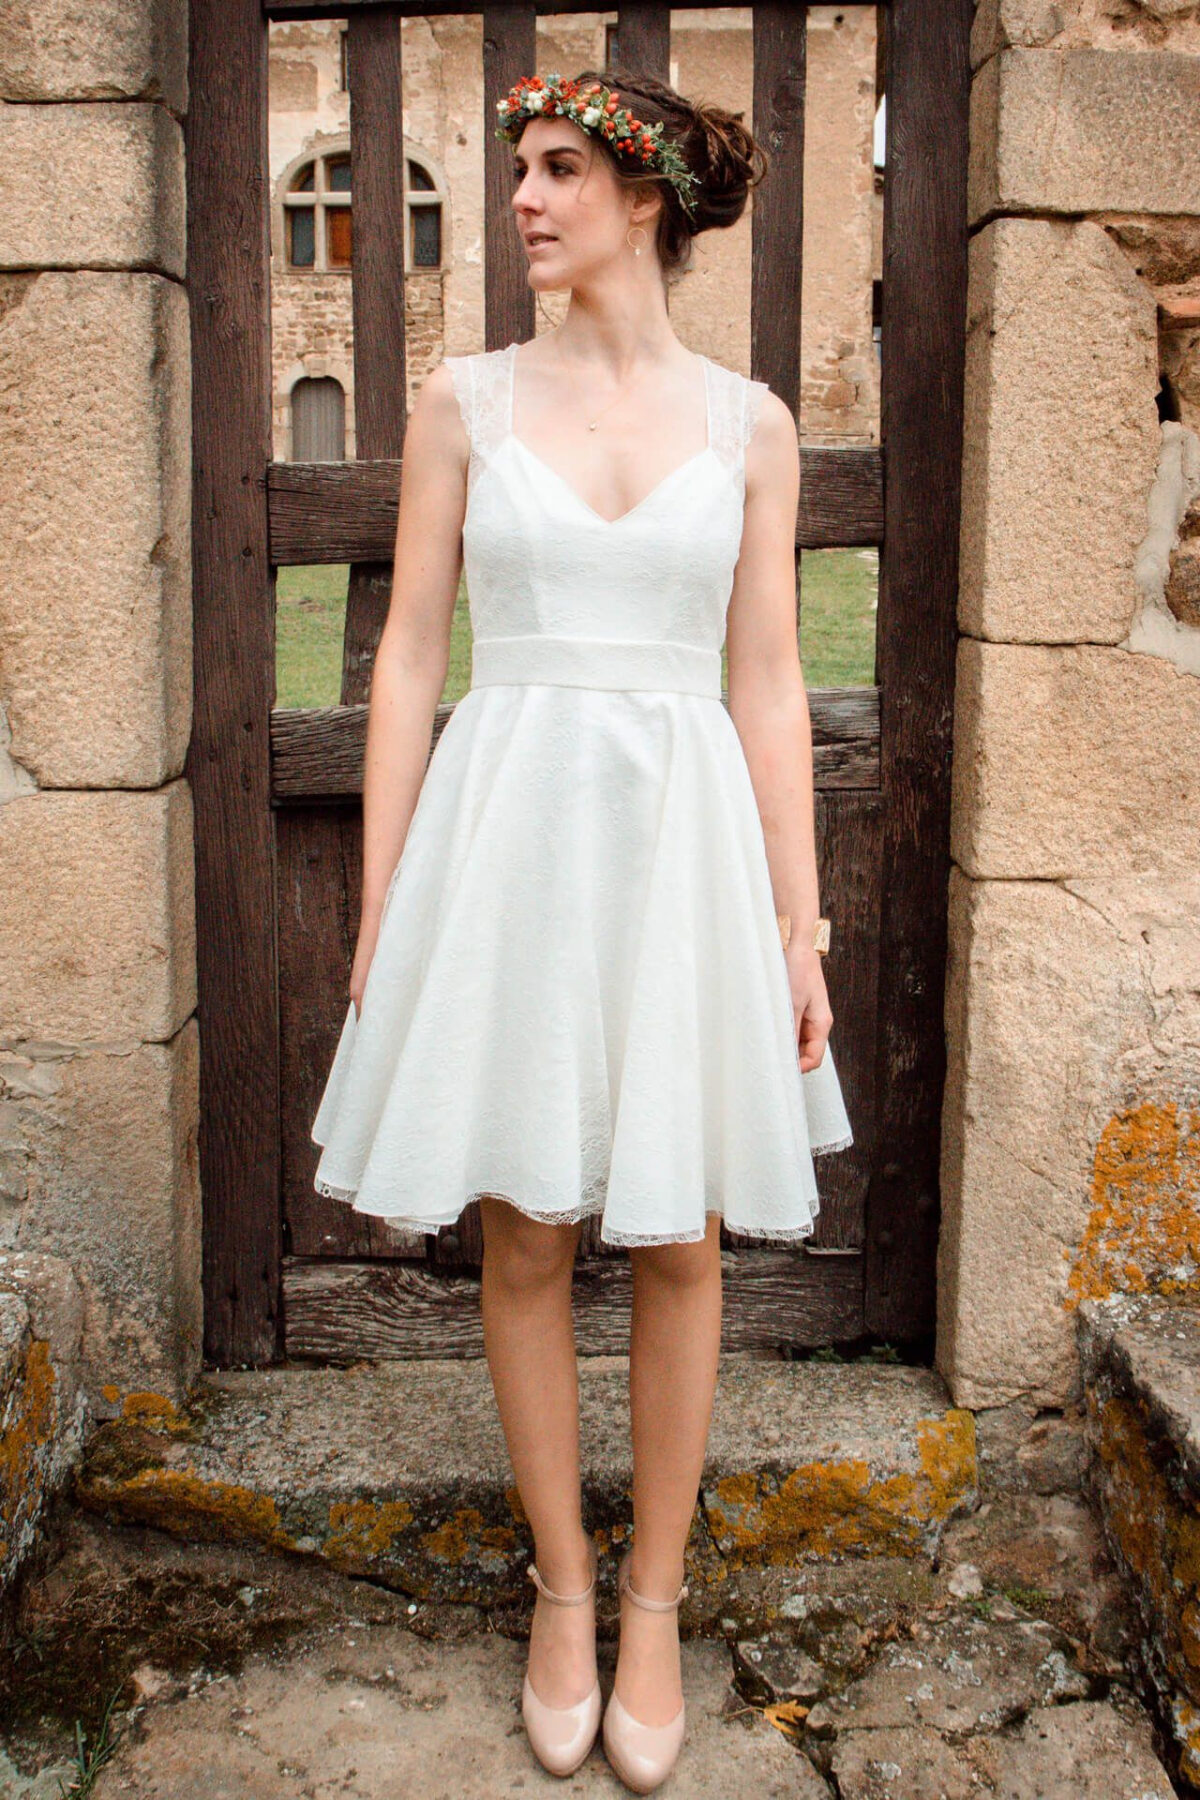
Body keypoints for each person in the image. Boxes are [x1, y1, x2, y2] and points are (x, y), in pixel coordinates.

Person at [311, 63, 854, 1793]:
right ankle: (558, 1587)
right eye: (519, 170)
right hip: (516, 831)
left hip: (684, 841)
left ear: (647, 202)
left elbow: (769, 684)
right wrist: (387, 895)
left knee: (683, 1234)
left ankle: (654, 1601)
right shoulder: (466, 404)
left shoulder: (750, 426)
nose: (524, 200)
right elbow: (408, 660)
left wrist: (800, 921)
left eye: (555, 171)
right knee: (529, 1229)